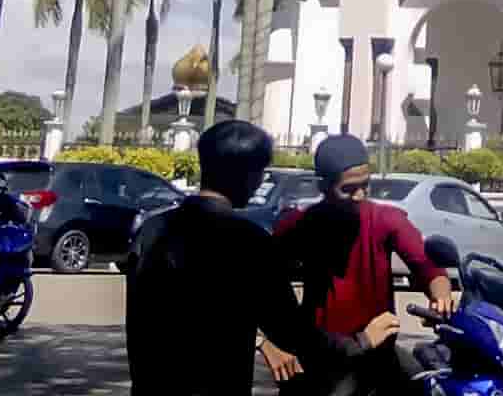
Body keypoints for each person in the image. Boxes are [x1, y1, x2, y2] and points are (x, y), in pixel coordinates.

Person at [126, 120, 397, 396]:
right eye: (260, 173)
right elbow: (294, 333)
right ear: (247, 176)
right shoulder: (249, 242)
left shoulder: (150, 232)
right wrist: (361, 341)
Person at [261, 133, 456, 394]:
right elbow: (260, 281)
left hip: (380, 354)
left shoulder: (386, 219)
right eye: (348, 189)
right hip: (324, 358)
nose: (359, 195)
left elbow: (425, 264)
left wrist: (440, 294)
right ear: (323, 186)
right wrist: (266, 342)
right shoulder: (300, 225)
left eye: (366, 185)